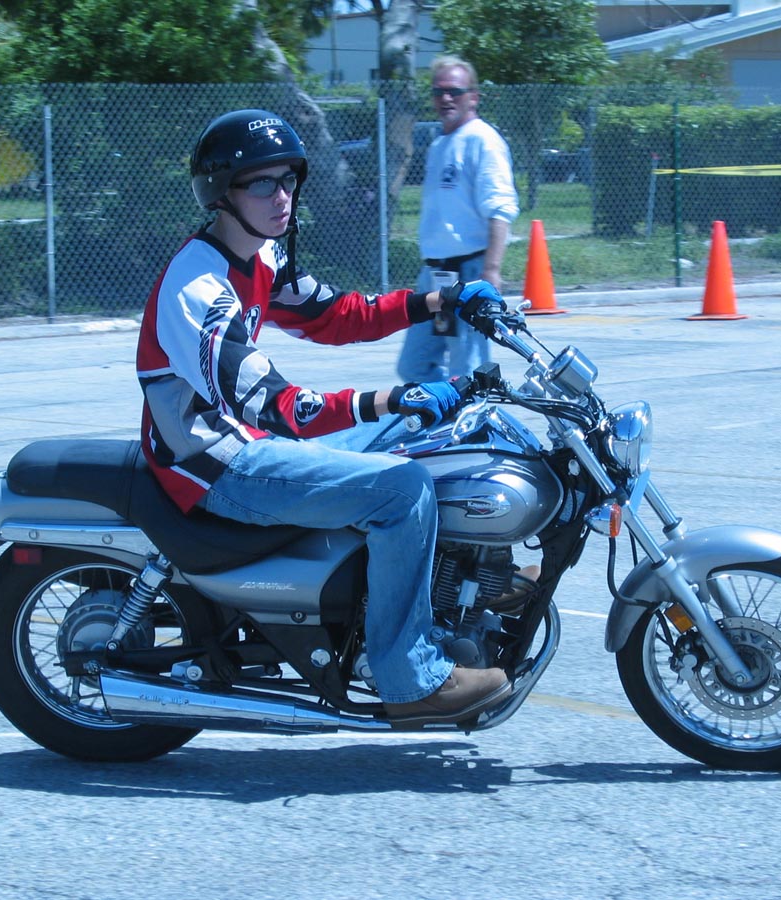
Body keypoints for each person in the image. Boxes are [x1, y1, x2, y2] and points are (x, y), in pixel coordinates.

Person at [136, 109, 512, 725]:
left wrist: (443, 299)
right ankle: (409, 678)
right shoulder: (197, 289)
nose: (281, 196)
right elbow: (281, 407)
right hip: (214, 464)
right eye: (262, 183)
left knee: (443, 437)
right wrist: (393, 397)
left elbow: (338, 316)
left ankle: (471, 580)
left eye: (288, 179)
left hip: (245, 438)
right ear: (221, 191)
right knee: (404, 489)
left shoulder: (261, 256)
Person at [397, 55, 520, 383]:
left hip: (468, 273)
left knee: (467, 370)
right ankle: (445, 411)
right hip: (436, 276)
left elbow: (500, 208)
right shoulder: (439, 145)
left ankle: (470, 415)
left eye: (454, 91)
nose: (446, 98)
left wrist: (491, 271)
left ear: (473, 97)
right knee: (414, 367)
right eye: (438, 92)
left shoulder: (483, 140)